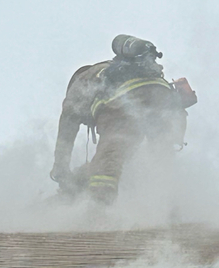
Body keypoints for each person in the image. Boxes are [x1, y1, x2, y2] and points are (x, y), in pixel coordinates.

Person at [50, 34, 197, 205]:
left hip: (127, 107)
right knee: (158, 159)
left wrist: (60, 167)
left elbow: (66, 133)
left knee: (107, 162)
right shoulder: (128, 69)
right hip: (169, 106)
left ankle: (98, 211)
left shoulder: (82, 84)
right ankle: (168, 209)